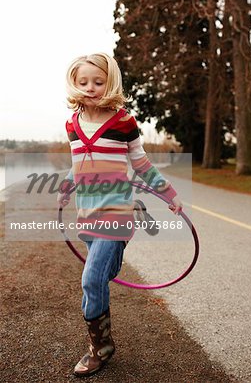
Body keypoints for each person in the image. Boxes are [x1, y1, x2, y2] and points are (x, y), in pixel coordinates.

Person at [57, 52, 182, 377]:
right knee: (103, 274)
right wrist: (67, 185)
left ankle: (100, 348)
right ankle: (106, 274)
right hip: (86, 214)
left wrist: (168, 193)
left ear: (110, 82)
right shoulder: (72, 122)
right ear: (75, 83)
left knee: (91, 279)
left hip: (116, 214)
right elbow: (77, 163)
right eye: (83, 82)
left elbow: (140, 163)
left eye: (98, 82)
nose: (90, 88)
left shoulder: (124, 121)